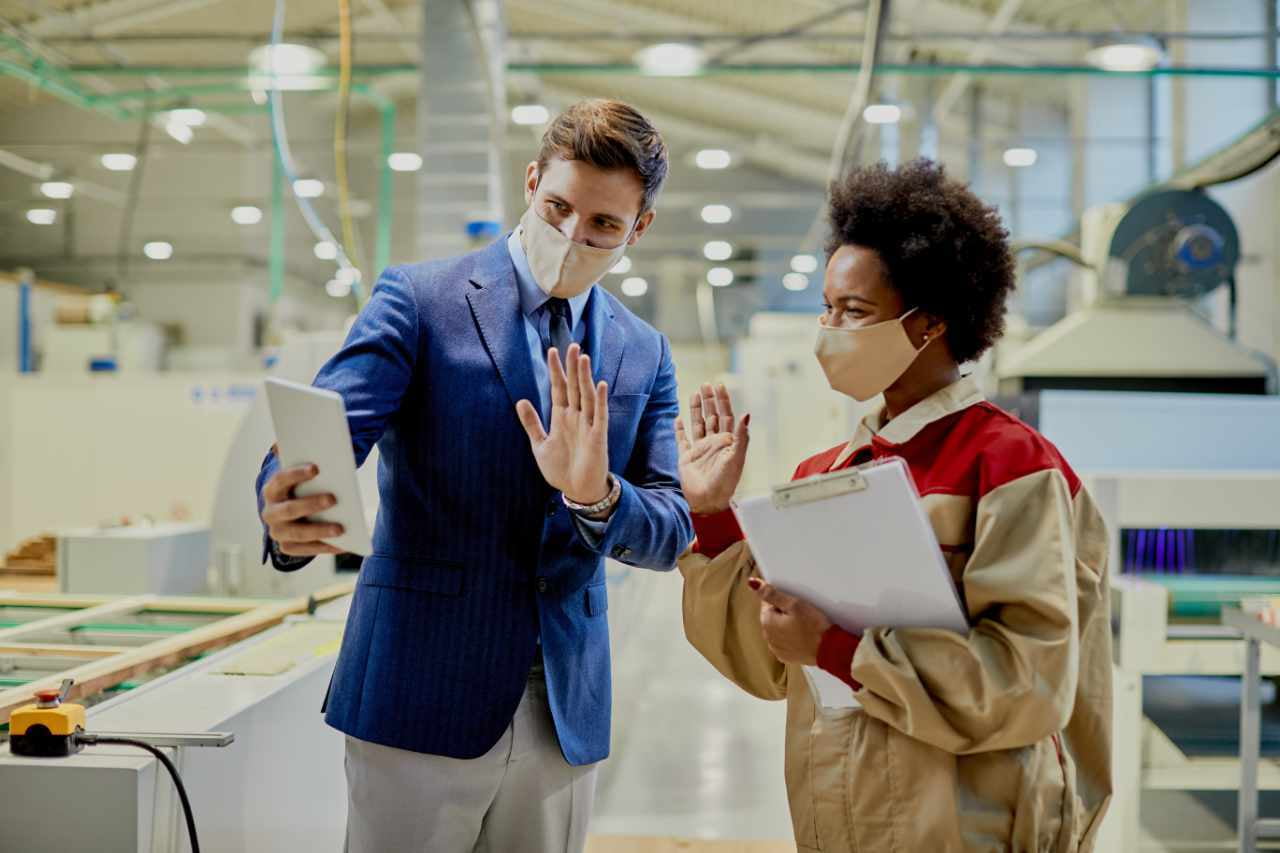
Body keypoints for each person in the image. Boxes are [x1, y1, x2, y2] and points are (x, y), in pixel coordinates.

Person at [255, 99, 693, 853]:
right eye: (557, 208)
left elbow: (671, 524)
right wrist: (287, 500)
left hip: (563, 706)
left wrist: (596, 495)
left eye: (603, 226)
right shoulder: (420, 300)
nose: (571, 236)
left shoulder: (643, 351)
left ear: (639, 228)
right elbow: (329, 427)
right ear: (530, 181)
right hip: (420, 687)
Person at [676, 159, 1112, 852]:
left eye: (854, 311)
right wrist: (713, 514)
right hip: (840, 818)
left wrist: (839, 647)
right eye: (826, 308)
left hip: (967, 827)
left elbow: (1026, 682)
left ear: (931, 322)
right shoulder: (828, 474)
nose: (829, 330)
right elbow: (767, 666)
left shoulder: (1010, 466)